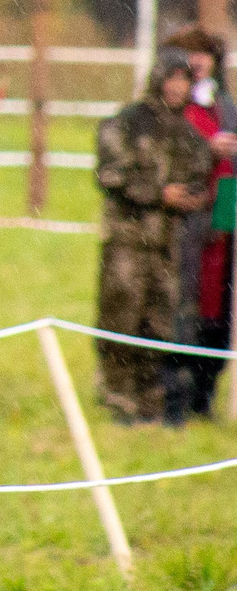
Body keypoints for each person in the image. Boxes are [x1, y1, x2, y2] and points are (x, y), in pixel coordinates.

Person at [93, 52, 215, 424]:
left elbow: (200, 173)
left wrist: (193, 197)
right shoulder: (127, 124)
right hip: (128, 241)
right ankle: (118, 396)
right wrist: (157, 192)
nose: (178, 86)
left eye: (184, 79)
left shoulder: (189, 135)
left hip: (169, 244)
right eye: (172, 77)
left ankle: (151, 398)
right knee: (121, 316)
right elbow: (110, 174)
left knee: (160, 320)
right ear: (158, 79)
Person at [162, 25, 237, 421]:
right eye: (191, 52)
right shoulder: (171, 106)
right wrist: (204, 150)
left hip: (219, 221)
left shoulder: (224, 105)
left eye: (206, 52)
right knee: (180, 306)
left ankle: (204, 393)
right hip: (184, 218)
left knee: (216, 309)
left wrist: (225, 221)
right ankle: (172, 393)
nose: (199, 59)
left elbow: (230, 172)